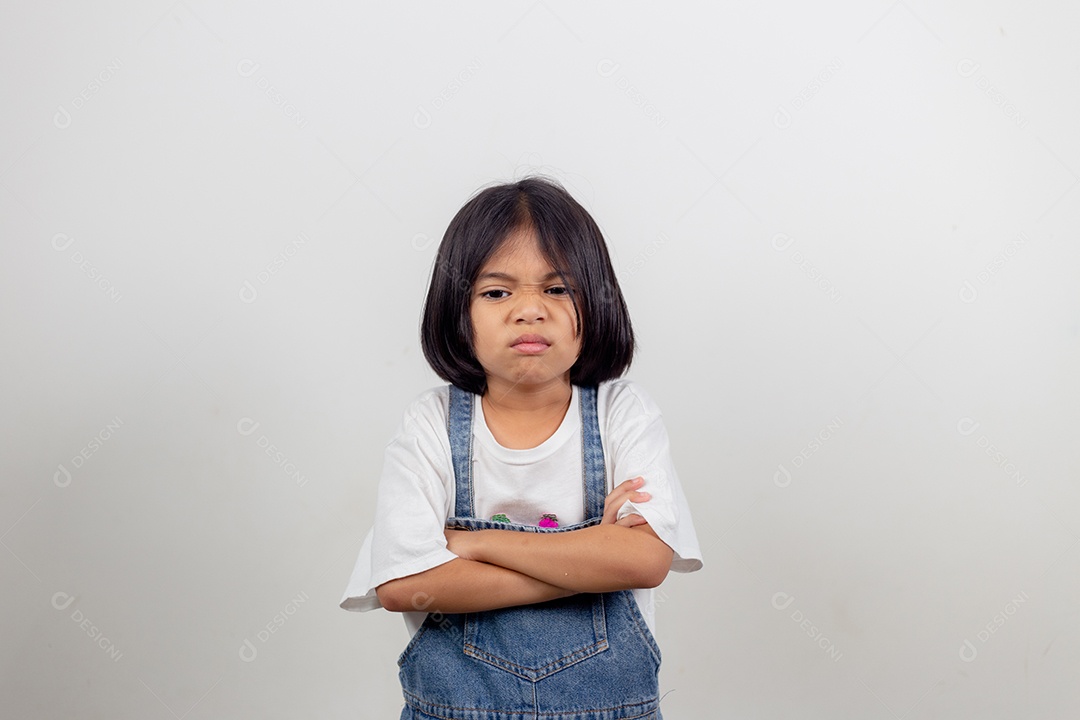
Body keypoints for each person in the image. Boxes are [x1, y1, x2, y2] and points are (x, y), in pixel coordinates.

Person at [339, 176, 703, 719]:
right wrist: (588, 560)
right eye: (497, 291)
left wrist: (473, 545)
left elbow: (644, 559)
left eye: (557, 289)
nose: (529, 310)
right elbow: (404, 585)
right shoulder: (431, 424)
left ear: (597, 302)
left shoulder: (622, 414)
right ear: (458, 313)